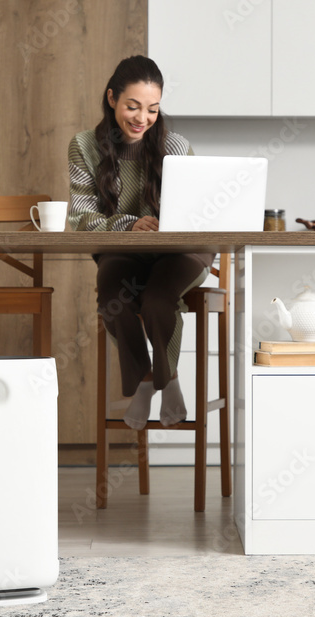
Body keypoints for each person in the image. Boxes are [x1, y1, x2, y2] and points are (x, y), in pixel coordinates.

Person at [68, 55, 214, 430]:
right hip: (124, 249)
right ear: (112, 97)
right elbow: (82, 219)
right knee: (112, 297)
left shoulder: (175, 145)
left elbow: (197, 213)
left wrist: (167, 222)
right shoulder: (84, 146)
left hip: (179, 251)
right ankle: (154, 380)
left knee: (157, 299)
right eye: (132, 106)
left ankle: (158, 383)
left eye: (152, 109)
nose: (142, 118)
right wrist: (130, 225)